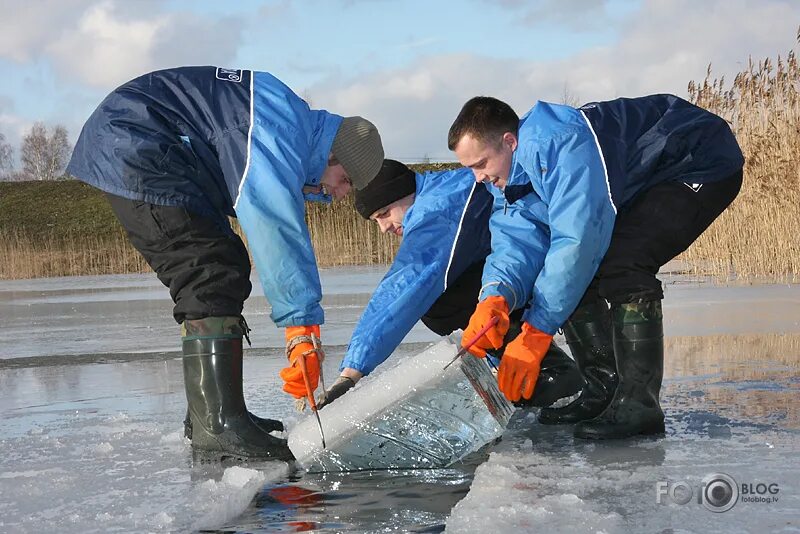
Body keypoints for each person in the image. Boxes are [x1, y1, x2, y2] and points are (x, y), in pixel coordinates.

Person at [66, 66, 384, 460]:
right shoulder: (277, 130)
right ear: (334, 155)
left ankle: (209, 416)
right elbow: (273, 222)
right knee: (208, 270)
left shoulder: (287, 122)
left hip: (153, 144)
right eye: (344, 182)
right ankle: (217, 424)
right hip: (138, 140)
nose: (338, 194)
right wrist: (301, 328)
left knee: (223, 263)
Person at [448, 94, 744, 439]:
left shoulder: (560, 145)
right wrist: (496, 299)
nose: (478, 177)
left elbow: (579, 239)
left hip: (699, 162)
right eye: (470, 169)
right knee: (580, 276)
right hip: (647, 179)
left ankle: (640, 405)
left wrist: (536, 332)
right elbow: (517, 242)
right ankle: (603, 389)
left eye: (481, 163)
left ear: (509, 141)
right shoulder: (510, 177)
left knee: (623, 261)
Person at [317, 159, 583, 408]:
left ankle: (551, 371)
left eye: (384, 213)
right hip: (530, 267)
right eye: (376, 220)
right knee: (443, 299)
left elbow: (402, 289)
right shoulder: (443, 189)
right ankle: (509, 364)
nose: (384, 227)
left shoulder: (437, 209)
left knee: (438, 300)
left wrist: (351, 372)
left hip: (562, 261)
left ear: (403, 193)